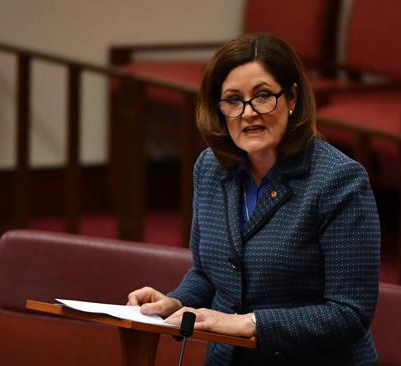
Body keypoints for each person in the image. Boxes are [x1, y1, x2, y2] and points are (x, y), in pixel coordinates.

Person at [127, 33, 380, 365]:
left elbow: (349, 314)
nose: (248, 113)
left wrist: (247, 323)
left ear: (291, 97)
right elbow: (207, 274)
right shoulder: (210, 168)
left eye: (262, 96)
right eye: (233, 100)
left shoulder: (339, 181)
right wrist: (175, 303)